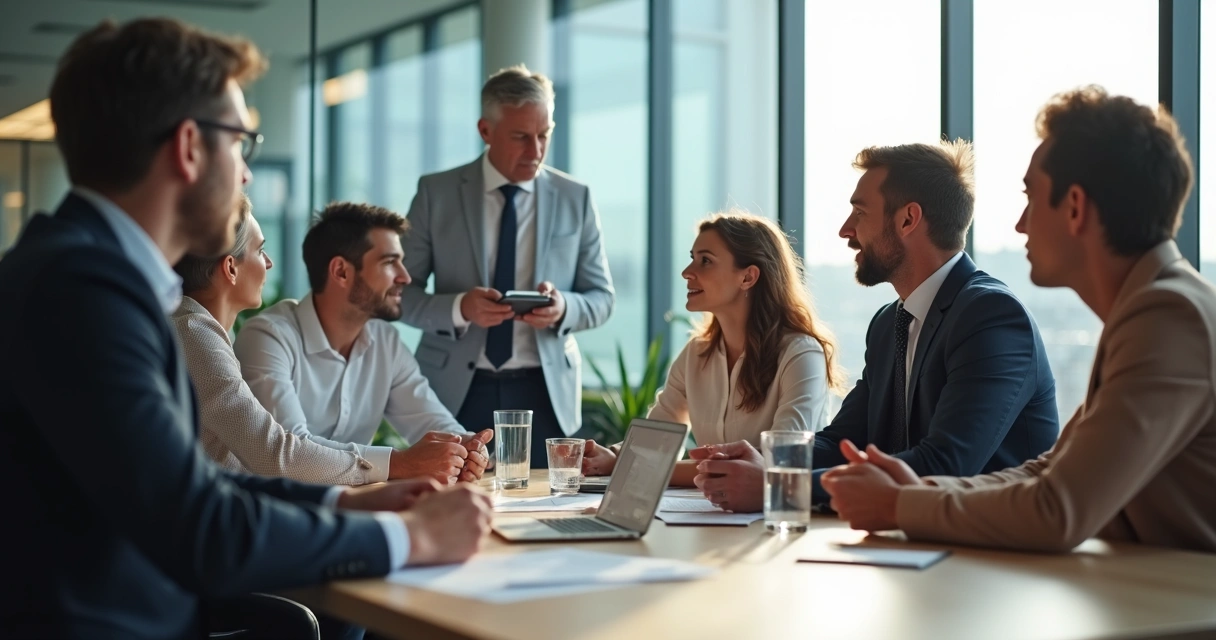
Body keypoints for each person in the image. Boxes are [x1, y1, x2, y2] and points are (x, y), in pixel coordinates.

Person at [0, 18, 490, 639]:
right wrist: (407, 537)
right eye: (241, 143)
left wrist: (347, 500)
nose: (248, 174)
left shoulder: (84, 275)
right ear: (188, 148)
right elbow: (199, 525)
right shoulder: (81, 293)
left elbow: (190, 484)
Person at [822, 87, 1216, 554]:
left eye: (1031, 197)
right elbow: (1049, 471)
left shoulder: (1168, 316)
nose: (1020, 224)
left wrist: (898, 505)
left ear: (1075, 207)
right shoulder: (1155, 308)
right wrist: (911, 495)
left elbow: (1058, 509)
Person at [690, 139, 1060, 513]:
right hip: (910, 538)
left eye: (860, 212)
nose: (845, 230)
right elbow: (843, 442)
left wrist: (781, 486)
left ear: (908, 220)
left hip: (990, 544)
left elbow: (946, 465)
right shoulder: (889, 324)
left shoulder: (991, 315)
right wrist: (764, 458)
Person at [399, 64, 615, 467]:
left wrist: (563, 307)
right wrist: (459, 308)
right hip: (455, 390)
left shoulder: (577, 197)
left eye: (544, 135)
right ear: (485, 130)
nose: (535, 151)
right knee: (453, 497)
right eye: (520, 137)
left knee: (547, 499)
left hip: (546, 390)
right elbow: (398, 294)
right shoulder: (436, 193)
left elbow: (602, 298)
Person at [174, 195, 434, 485]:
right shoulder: (196, 334)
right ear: (231, 268)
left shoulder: (205, 331)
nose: (269, 263)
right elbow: (273, 455)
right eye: (260, 250)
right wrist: (399, 463)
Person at [234, 202, 493, 486]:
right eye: (389, 262)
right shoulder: (268, 337)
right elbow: (289, 453)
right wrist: (401, 463)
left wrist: (467, 448)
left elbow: (432, 421)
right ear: (341, 271)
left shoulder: (385, 342)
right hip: (278, 506)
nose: (406, 277)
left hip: (358, 504)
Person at [581, 211, 843, 485]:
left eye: (705, 261)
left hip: (776, 509)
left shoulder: (801, 355)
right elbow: (656, 438)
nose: (687, 272)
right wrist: (615, 456)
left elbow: (779, 459)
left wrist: (629, 466)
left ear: (748, 277)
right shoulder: (696, 354)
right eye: (692, 258)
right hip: (710, 506)